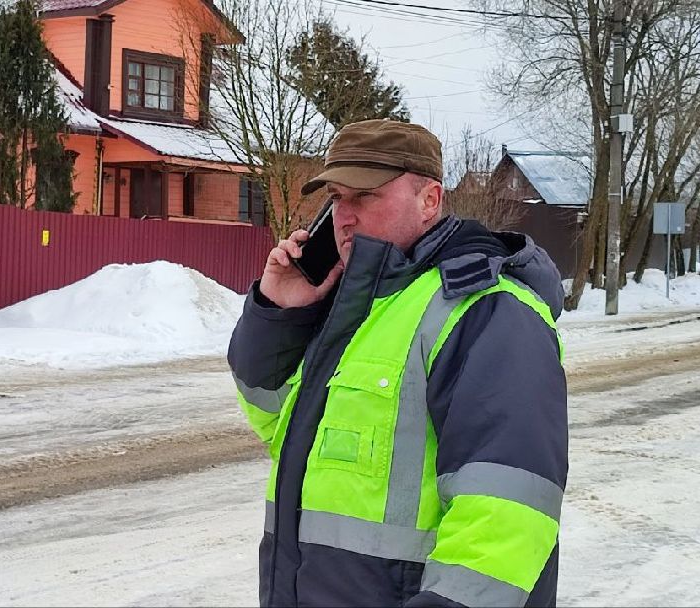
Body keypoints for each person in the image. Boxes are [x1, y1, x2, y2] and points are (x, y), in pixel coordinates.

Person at [228, 119, 568, 607]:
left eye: (365, 197)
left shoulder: (487, 310)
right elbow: (274, 420)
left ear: (430, 200)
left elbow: (505, 519)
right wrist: (281, 313)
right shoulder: (361, 306)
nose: (344, 216)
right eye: (336, 198)